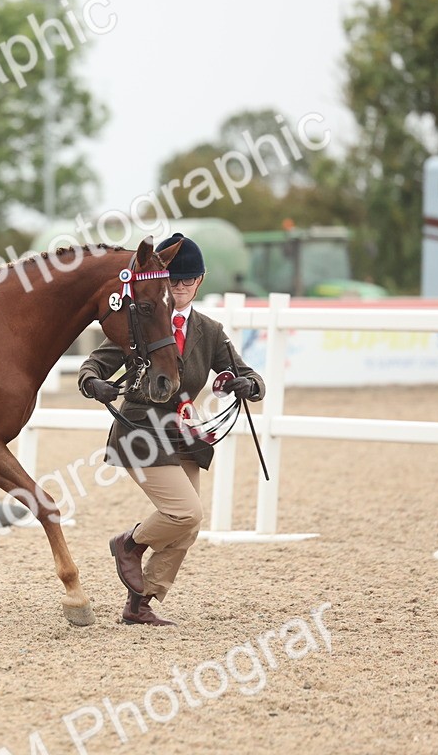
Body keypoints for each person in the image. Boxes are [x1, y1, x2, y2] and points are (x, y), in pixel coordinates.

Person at [77, 232, 265, 626]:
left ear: (200, 281)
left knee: (188, 526)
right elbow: (93, 364)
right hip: (141, 431)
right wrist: (92, 382)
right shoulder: (142, 321)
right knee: (185, 512)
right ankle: (129, 543)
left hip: (182, 436)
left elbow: (248, 374)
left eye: (188, 281)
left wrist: (246, 384)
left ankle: (140, 603)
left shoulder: (209, 331)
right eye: (173, 281)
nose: (180, 288)